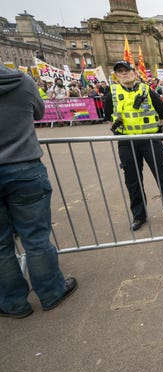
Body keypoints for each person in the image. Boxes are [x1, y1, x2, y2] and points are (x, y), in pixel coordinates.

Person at [0, 63, 78, 318]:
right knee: (35, 237)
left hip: (21, 169)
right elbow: (39, 112)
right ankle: (51, 292)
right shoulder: (21, 81)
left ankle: (13, 303)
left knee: (1, 246)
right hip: (23, 167)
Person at [103, 61, 163, 231]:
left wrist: (156, 136)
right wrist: (119, 134)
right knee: (132, 181)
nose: (124, 73)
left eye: (127, 70)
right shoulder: (112, 94)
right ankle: (139, 216)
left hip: (150, 141)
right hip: (127, 143)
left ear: (134, 72)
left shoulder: (148, 91)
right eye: (120, 71)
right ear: (116, 76)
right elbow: (108, 118)